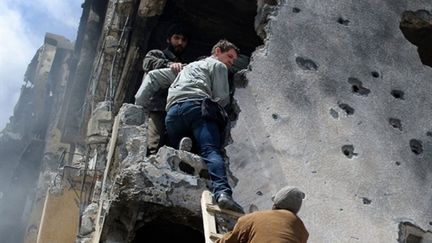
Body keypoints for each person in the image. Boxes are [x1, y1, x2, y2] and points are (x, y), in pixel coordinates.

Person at [165, 39, 244, 213]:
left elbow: (162, 81)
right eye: (229, 56)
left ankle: (186, 148)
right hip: (196, 107)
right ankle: (223, 193)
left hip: (172, 113)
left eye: (234, 60)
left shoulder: (188, 67)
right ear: (217, 51)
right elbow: (221, 98)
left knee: (188, 145)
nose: (231, 62)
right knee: (210, 150)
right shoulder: (218, 66)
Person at [139, 24, 189, 155]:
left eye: (183, 40)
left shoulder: (184, 64)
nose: (180, 42)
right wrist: (169, 65)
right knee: (153, 145)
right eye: (176, 38)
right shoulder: (158, 54)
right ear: (168, 39)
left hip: (173, 110)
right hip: (156, 108)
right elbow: (147, 63)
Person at [216, 186, 309, 243]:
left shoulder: (253, 217)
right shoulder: (302, 231)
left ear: (274, 205)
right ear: (296, 211)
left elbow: (230, 241)